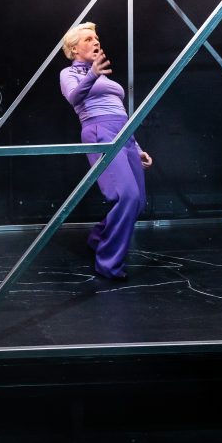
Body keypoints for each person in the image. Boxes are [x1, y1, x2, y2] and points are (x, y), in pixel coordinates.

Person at [60, 22, 153, 280]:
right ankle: (108, 263)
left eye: (97, 38)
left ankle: (98, 237)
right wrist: (91, 74)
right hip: (99, 131)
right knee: (127, 196)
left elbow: (120, 114)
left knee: (138, 202)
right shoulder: (70, 74)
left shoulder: (102, 76)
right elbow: (73, 97)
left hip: (124, 135)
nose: (96, 42)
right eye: (89, 38)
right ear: (74, 48)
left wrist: (137, 146)